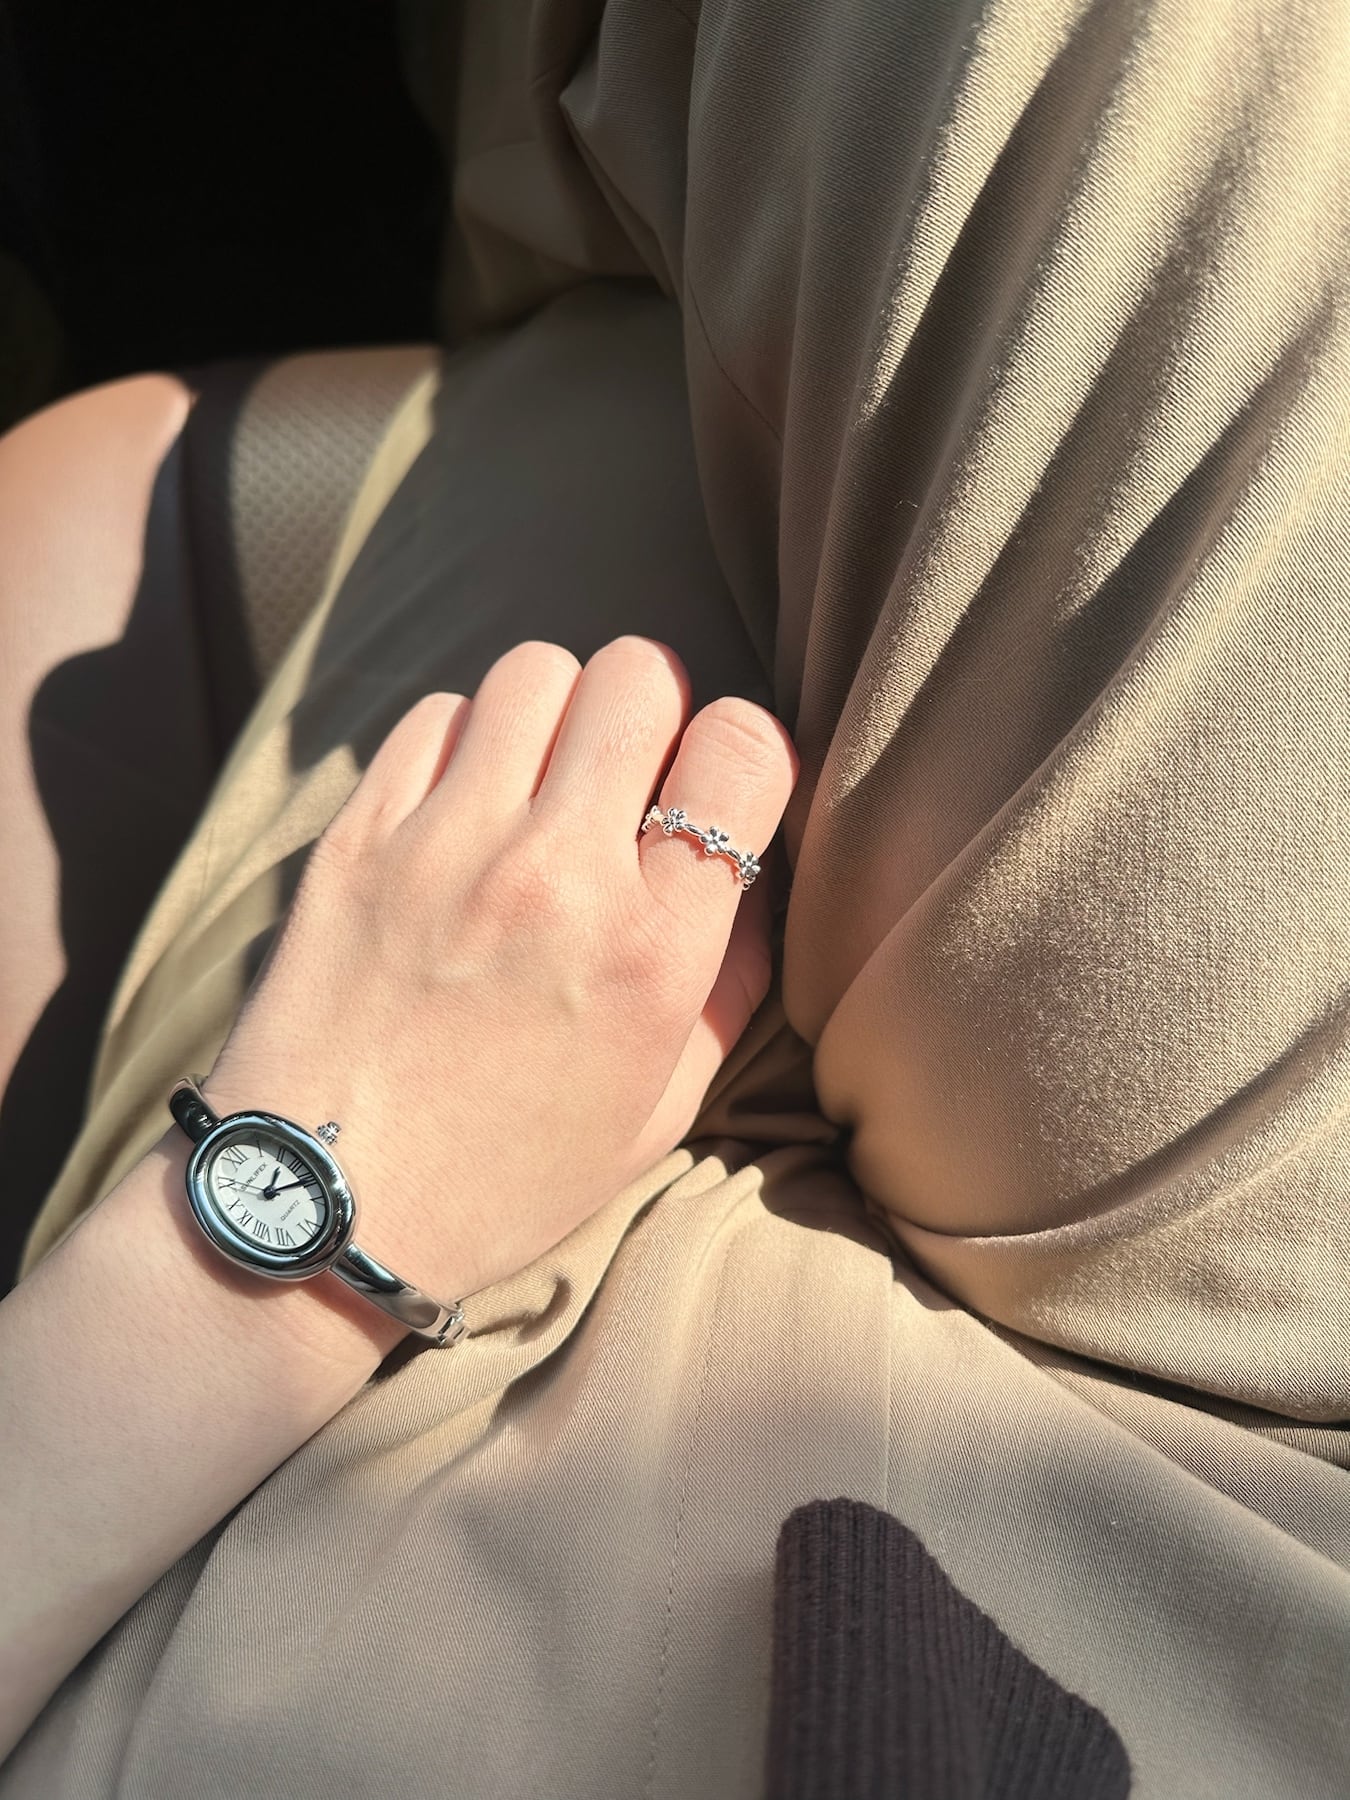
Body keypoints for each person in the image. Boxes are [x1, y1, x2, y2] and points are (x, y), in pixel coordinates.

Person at [2, 0, 1348, 1792]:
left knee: (625, 370)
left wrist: (246, 1242)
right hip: (1230, 1519)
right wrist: (335, 1205)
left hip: (260, 1475)